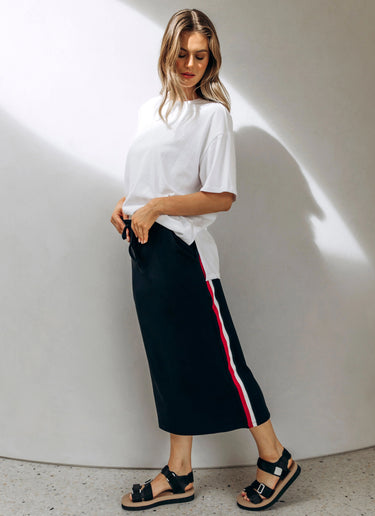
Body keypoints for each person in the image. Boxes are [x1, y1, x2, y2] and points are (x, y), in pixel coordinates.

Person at [110, 8, 301, 512]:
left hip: (183, 253)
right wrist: (127, 205)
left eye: (201, 56)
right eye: (182, 53)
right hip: (144, 250)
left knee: (224, 360)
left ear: (211, 60)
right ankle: (179, 472)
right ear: (167, 53)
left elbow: (220, 196)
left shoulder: (213, 116)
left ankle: (276, 457)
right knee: (168, 362)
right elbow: (151, 180)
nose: (190, 65)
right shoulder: (148, 111)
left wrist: (155, 206)